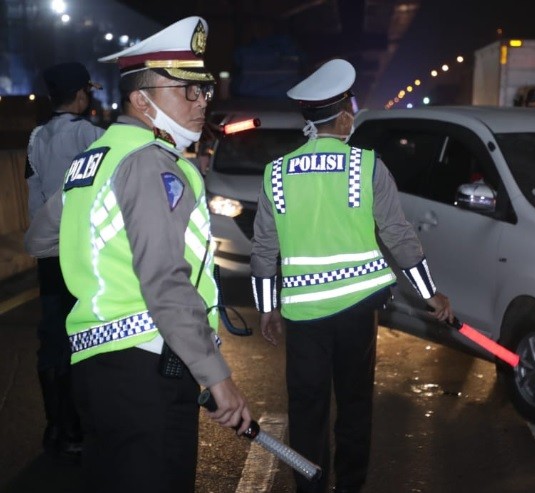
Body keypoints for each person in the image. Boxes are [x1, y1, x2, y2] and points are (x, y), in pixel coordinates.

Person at [24, 16, 252, 493]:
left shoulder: (97, 158)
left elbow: (40, 239)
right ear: (141, 99)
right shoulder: (150, 162)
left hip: (96, 367)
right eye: (185, 91)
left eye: (203, 91)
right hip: (145, 369)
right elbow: (165, 279)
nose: (200, 103)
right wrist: (216, 376)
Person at [250, 58, 454, 493]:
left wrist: (267, 307)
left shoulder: (277, 174)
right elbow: (398, 236)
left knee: (307, 411)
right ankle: (350, 487)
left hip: (303, 317)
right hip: (357, 314)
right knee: (355, 408)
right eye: (352, 108)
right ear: (343, 115)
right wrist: (429, 294)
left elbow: (264, 248)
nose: (354, 115)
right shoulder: (366, 166)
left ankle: (310, 487)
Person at [24, 61, 105, 461]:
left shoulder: (36, 137)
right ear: (80, 95)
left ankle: (55, 427)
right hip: (84, 255)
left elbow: (34, 195)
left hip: (47, 254)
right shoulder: (93, 136)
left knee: (53, 339)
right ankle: (80, 426)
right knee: (84, 340)